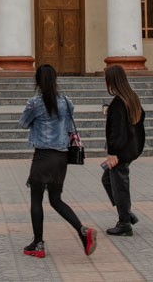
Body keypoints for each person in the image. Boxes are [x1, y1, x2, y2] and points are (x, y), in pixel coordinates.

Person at [18, 64, 97, 259]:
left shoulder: (34, 103)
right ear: (55, 80)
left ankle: (38, 243)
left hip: (43, 156)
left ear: (37, 81)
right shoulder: (66, 101)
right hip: (62, 157)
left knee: (36, 200)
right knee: (56, 199)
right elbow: (69, 126)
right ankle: (82, 230)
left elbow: (23, 123)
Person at [102, 64, 145, 236]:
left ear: (112, 81)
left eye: (106, 79)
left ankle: (125, 223)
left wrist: (112, 153)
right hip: (130, 148)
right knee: (107, 179)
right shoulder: (131, 97)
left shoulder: (119, 102)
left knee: (120, 185)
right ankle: (126, 213)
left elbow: (117, 132)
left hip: (121, 151)